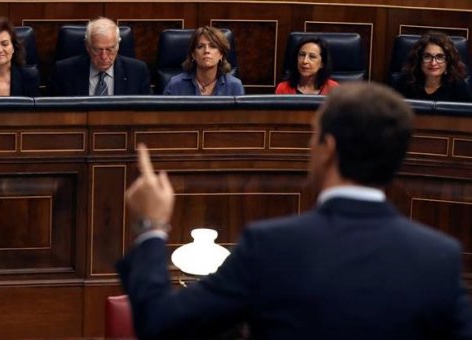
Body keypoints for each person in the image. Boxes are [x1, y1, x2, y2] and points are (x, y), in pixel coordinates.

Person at [118, 82, 472, 339]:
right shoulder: (438, 257)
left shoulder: (271, 246)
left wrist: (151, 227)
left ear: (328, 149)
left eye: (313, 135)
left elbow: (162, 323)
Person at [47, 17, 150, 96]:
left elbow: (146, 114)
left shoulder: (138, 72)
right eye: (97, 49)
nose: (104, 57)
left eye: (110, 49)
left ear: (118, 45)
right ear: (87, 46)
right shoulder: (63, 72)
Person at [163, 26, 244, 96]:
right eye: (200, 46)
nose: (206, 51)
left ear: (221, 55)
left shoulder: (234, 86)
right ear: (193, 55)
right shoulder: (175, 84)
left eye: (213, 46)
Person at [393, 31, 472, 102]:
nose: (433, 63)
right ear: (419, 59)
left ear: (448, 61)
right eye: (427, 56)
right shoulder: (404, 82)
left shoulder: (458, 85)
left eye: (440, 57)